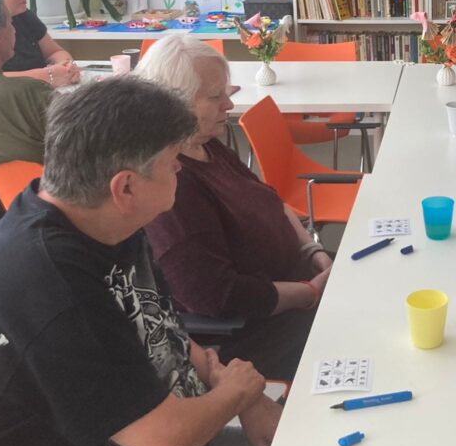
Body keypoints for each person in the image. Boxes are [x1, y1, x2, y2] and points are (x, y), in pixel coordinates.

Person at [0, 76, 280, 446]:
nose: (180, 169)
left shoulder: (100, 219)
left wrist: (236, 388)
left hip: (183, 444)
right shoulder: (50, 282)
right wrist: (237, 393)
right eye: (174, 161)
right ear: (126, 186)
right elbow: (163, 438)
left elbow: (162, 326)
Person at [137, 34, 334, 380]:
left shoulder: (207, 145)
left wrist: (311, 249)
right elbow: (217, 295)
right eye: (215, 97)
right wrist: (309, 293)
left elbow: (269, 199)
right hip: (258, 325)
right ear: (173, 103)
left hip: (300, 279)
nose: (228, 106)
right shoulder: (172, 183)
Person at [0, 0, 53, 233]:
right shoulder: (30, 94)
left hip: (8, 212)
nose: (15, 30)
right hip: (59, 208)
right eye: (10, 23)